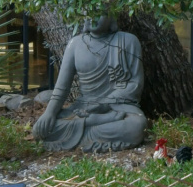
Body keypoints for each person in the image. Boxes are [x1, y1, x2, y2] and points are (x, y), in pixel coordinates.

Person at [31, 16, 148, 152]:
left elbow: (135, 84)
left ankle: (81, 134)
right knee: (40, 130)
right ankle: (92, 123)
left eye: (98, 13)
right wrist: (49, 114)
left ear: (111, 17)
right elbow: (62, 88)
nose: (93, 17)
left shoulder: (128, 41)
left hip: (118, 106)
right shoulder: (75, 44)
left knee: (137, 125)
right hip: (85, 107)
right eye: (88, 13)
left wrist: (103, 104)